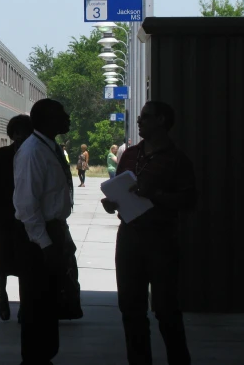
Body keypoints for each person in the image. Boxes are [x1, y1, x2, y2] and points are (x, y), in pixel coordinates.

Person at [101, 101, 197, 365]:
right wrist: (112, 203)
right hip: (130, 237)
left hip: (161, 239)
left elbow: (189, 201)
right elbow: (118, 189)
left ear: (162, 121)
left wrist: (157, 196)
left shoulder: (177, 160)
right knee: (131, 309)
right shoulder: (130, 155)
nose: (140, 121)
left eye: (146, 117)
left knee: (166, 310)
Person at [14, 99, 75, 365]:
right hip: (39, 239)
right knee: (37, 303)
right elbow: (27, 204)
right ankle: (34, 359)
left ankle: (45, 356)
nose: (67, 118)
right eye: (62, 114)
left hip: (53, 232)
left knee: (49, 301)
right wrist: (45, 243)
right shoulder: (33, 152)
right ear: (48, 120)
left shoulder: (48, 148)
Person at [0, 115, 35, 322]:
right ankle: (3, 294)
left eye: (24, 133)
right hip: (8, 214)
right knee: (5, 257)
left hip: (20, 216)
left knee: (20, 260)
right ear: (12, 134)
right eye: (17, 133)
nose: (20, 137)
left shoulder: (29, 155)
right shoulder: (3, 156)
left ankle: (20, 302)